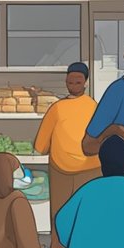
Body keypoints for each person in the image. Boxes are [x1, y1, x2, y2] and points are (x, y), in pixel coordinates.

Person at [36, 62, 101, 217]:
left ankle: (59, 242)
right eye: (70, 82)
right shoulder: (95, 106)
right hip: (91, 168)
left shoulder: (57, 108)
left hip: (62, 170)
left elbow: (40, 146)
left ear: (85, 82)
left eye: (77, 82)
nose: (73, 85)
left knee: (60, 214)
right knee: (88, 214)